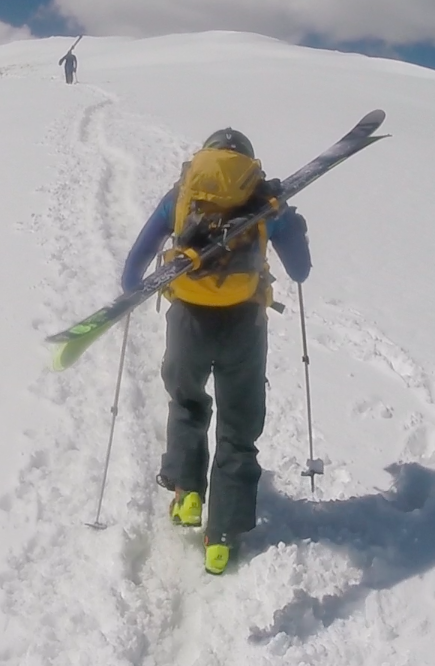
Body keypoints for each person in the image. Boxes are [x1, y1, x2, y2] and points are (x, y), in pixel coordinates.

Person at [119, 128, 312, 575]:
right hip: (245, 325)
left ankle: (187, 493)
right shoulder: (265, 202)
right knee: (239, 426)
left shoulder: (183, 194)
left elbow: (133, 272)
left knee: (186, 402)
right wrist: (292, 227)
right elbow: (300, 270)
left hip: (187, 320)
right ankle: (221, 537)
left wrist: (135, 287)